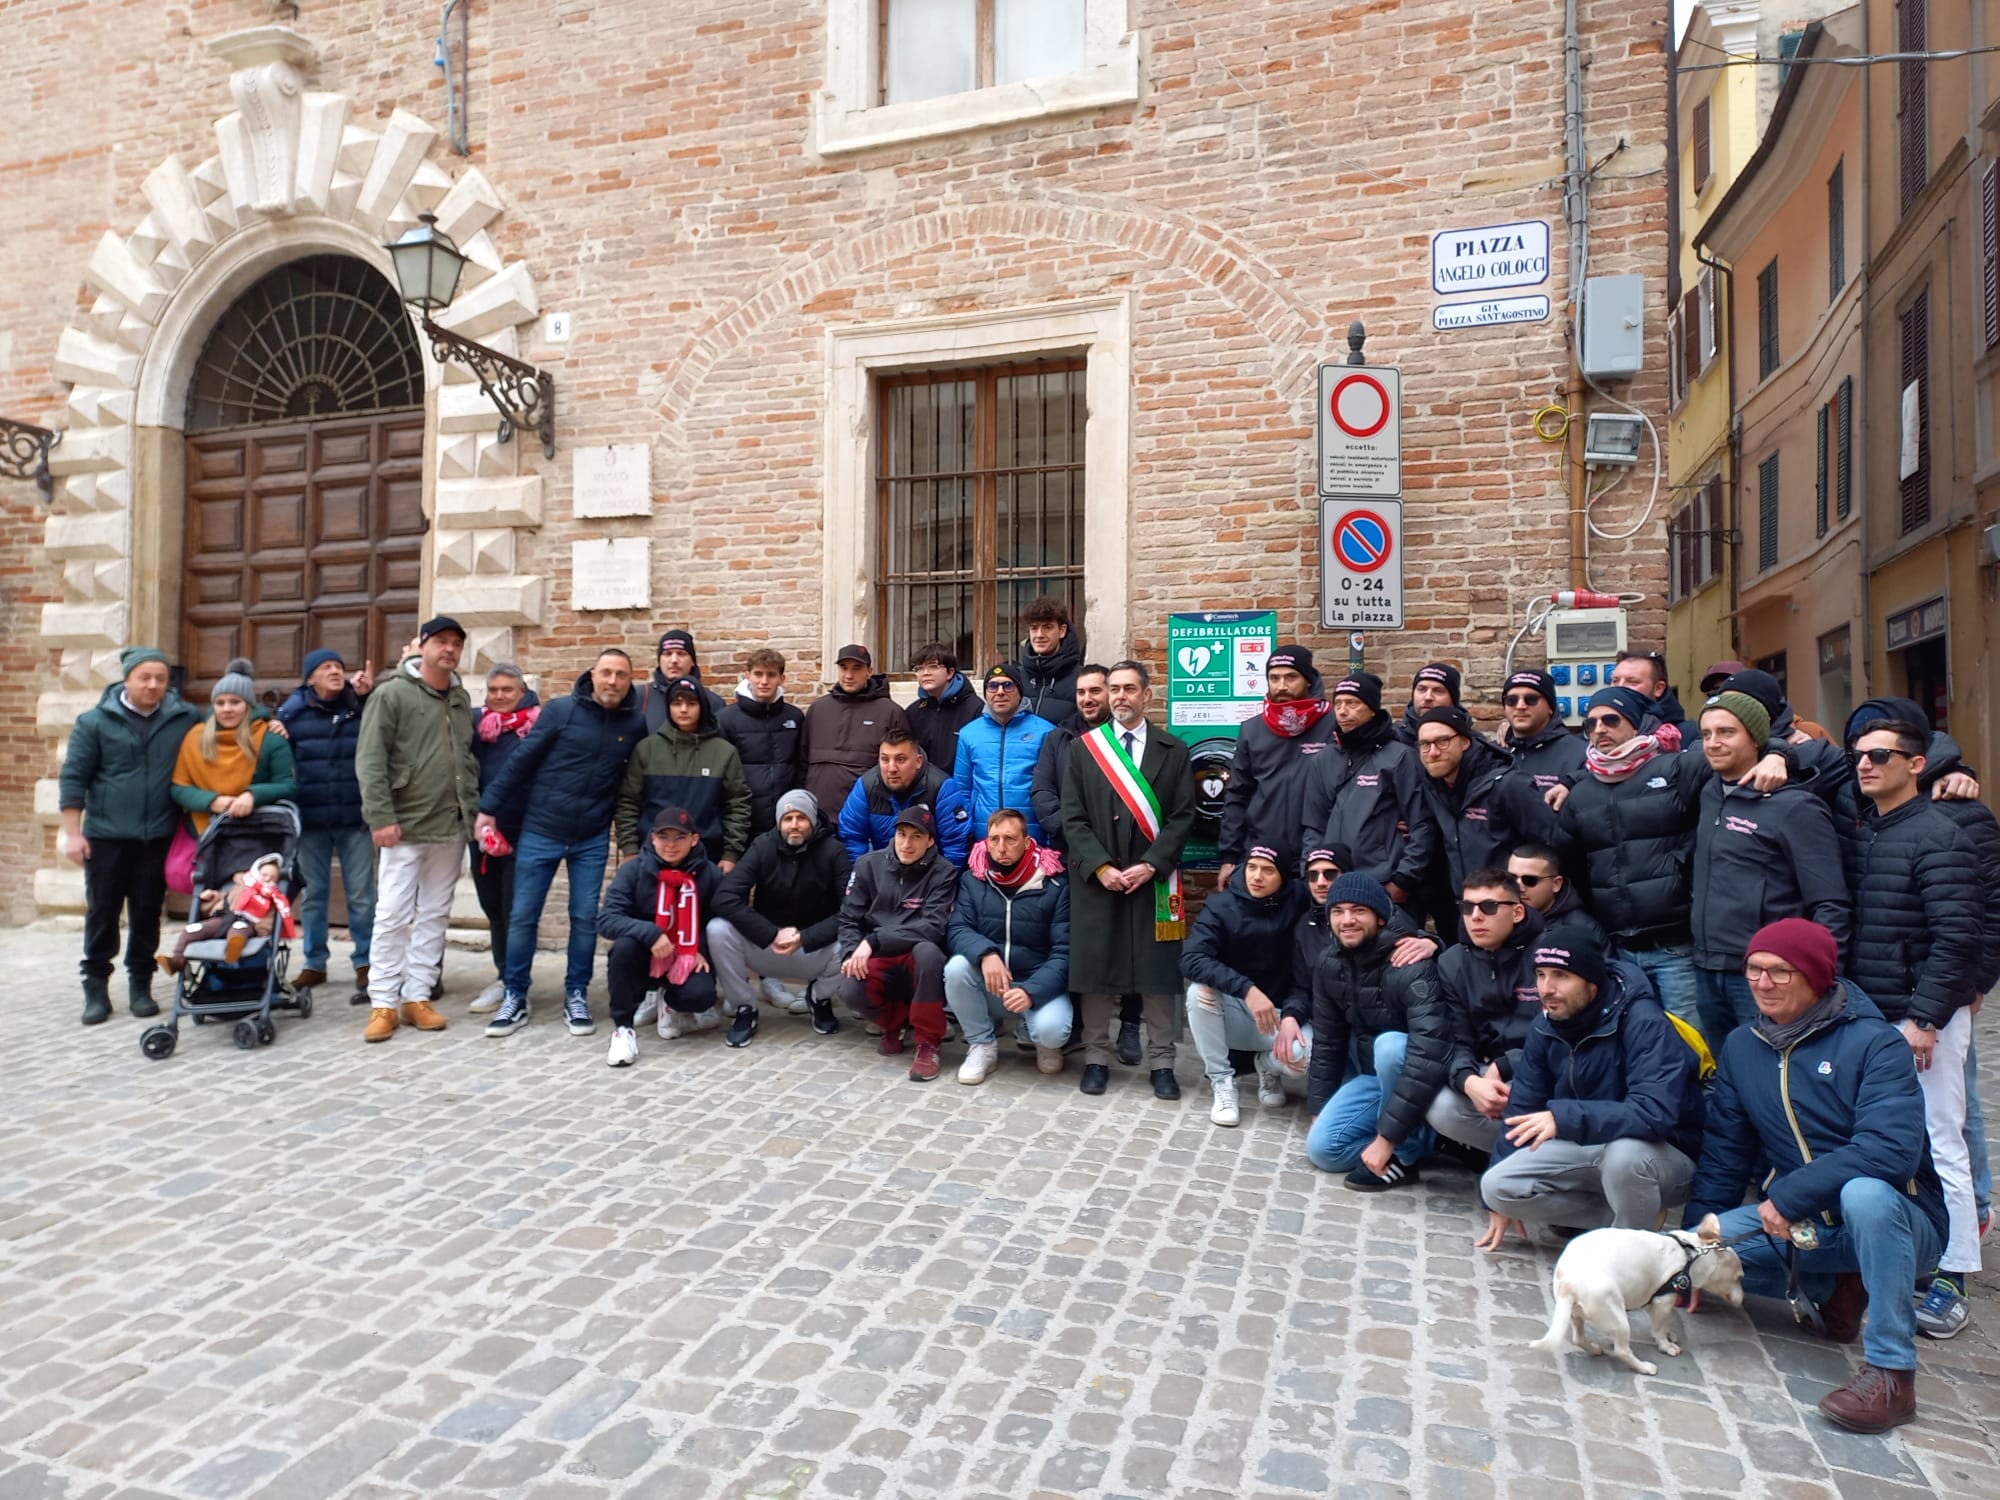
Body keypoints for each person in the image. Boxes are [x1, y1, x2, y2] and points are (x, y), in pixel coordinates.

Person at [1686, 919, 1947, 1433]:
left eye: (1780, 972)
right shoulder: (1743, 1045)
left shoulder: (1877, 1044)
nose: (1762, 983)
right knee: (1699, 1262)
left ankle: (1893, 1375)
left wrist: (1788, 1196)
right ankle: (1833, 1289)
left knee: (1865, 1194)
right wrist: (1688, 1244)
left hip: (1899, 1223)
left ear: (1819, 977)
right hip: (1807, 1227)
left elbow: (1890, 1152)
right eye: (1754, 970)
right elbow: (1725, 1153)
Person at [1839, 717, 1984, 1337]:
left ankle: (1953, 1274)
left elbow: (1957, 939)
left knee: (1939, 1138)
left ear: (1917, 764)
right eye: (1859, 757)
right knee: (1881, 1137)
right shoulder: (1867, 828)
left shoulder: (1940, 835)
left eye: (1880, 755)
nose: (1866, 765)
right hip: (1870, 1013)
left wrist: (1925, 1018)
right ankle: (1896, 1251)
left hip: (1922, 1018)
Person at [1477, 923, 1704, 1246]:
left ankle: (1632, 1254)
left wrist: (1564, 1118)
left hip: (1662, 1155)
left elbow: (1655, 1114)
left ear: (1593, 985)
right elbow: (1520, 1111)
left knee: (1624, 1157)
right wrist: (1497, 1205)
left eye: (1561, 976)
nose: (1546, 988)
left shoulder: (1643, 1021)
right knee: (1497, 1185)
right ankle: (1623, 1219)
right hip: (1588, 1142)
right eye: (1541, 974)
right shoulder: (1547, 1022)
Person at [476, 648, 646, 1040]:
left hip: (591, 836)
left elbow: (630, 787)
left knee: (585, 918)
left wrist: (629, 839)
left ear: (629, 681)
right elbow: (521, 761)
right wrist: (488, 809)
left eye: (621, 675)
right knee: (522, 916)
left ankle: (576, 993)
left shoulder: (634, 724)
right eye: (606, 673)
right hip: (541, 829)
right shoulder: (560, 710)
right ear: (593, 674)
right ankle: (515, 995)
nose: (613, 682)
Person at [1061, 661, 1197, 1099]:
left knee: (1157, 974)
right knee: (1097, 970)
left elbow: (1182, 817)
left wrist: (1153, 864)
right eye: (1113, 689)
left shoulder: (1173, 750)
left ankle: (1162, 1062)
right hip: (1099, 878)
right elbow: (1073, 817)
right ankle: (1097, 1058)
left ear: (1146, 696)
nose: (1119, 696)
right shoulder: (1084, 749)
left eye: (1128, 689)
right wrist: (1101, 866)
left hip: (1153, 879)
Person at [1688, 691, 1848, 1049]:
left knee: (1777, 1078)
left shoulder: (1795, 807)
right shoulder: (1709, 793)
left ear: (1757, 738)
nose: (1713, 743)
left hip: (1769, 977)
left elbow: (1831, 904)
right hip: (1707, 969)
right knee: (1724, 1079)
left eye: (1727, 732)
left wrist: (1821, 978)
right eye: (1707, 734)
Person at [59, 646, 201, 1025]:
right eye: (145, 677)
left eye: (160, 678)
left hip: (158, 836)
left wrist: (269, 722)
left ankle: (140, 984)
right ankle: (96, 987)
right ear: (128, 679)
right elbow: (74, 779)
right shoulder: (94, 723)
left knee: (146, 912)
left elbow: (225, 726)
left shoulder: (184, 718)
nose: (152, 685)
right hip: (105, 836)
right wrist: (74, 835)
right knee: (103, 912)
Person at [1550, 684, 1707, 1029]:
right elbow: (1567, 860)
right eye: (1591, 724)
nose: (1600, 729)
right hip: (1620, 949)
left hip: (1675, 946)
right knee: (1637, 1044)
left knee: (1694, 1049)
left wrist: (1778, 755)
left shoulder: (1674, 770)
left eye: (1611, 719)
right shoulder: (1582, 793)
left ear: (1635, 725)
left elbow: (1734, 752)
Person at [354, 618, 480, 1042]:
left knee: (434, 914)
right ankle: (383, 1003)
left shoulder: (460, 698)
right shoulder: (391, 694)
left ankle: (417, 996)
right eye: (441, 642)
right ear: (422, 646)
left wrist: (473, 811)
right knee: (391, 915)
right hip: (404, 824)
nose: (449, 650)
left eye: (456, 645)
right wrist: (380, 817)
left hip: (449, 825)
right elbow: (370, 759)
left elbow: (465, 758)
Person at [1292, 873, 1449, 1189]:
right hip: (1374, 1077)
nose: (1347, 920)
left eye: (1358, 910)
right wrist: (1319, 1109)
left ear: (1379, 916)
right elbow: (1328, 1041)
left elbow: (1429, 1052)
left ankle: (1405, 1153)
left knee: (1389, 1046)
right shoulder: (1329, 962)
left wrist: (1387, 1138)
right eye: (1338, 912)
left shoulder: (1410, 960)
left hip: (1423, 1075)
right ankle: (1429, 1140)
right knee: (1324, 1150)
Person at [708, 789, 853, 1043]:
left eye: (801, 818)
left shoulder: (833, 851)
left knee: (854, 937)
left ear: (813, 820)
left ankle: (819, 998)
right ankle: (745, 1007)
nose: (794, 825)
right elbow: (725, 897)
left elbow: (851, 911)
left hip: (813, 950)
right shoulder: (763, 846)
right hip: (768, 947)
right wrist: (770, 933)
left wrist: (805, 937)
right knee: (717, 929)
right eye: (788, 819)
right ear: (779, 823)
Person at [945, 808, 1072, 1082]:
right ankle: (982, 1044)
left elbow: (1065, 952)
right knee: (956, 968)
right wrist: (985, 954)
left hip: (1038, 984)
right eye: (994, 839)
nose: (1001, 847)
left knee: (1054, 1031)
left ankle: (1038, 1035)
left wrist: (1031, 991)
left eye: (1010, 839)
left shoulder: (1054, 883)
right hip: (994, 984)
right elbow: (957, 928)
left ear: (1027, 842)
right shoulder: (974, 878)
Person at [832, 805, 958, 1082]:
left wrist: (875, 940)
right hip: (878, 956)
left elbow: (933, 927)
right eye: (902, 834)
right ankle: (895, 1023)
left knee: (928, 953)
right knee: (849, 987)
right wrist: (853, 952)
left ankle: (928, 1041)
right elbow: (849, 919)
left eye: (916, 836)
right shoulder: (868, 864)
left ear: (930, 841)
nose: (907, 843)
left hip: (916, 954)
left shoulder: (944, 872)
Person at [1183, 847, 1306, 1126]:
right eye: (1252, 867)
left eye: (1268, 870)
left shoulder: (1300, 900)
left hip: (1280, 1016)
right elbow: (1192, 958)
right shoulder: (1221, 905)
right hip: (1237, 1011)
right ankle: (1222, 1081)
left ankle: (1267, 1066)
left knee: (1305, 1058)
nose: (1257, 877)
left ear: (1284, 877)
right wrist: (1247, 989)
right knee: (1199, 993)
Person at [278, 648, 377, 996]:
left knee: (363, 895)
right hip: (312, 819)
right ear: (310, 679)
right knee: (314, 895)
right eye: (325, 668)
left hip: (355, 818)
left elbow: (383, 727)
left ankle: (366, 962)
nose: (336, 671)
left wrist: (366, 695)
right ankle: (314, 964)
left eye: (338, 665)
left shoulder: (358, 706)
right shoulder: (292, 715)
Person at [1428, 869, 1546, 1156]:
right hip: (1486, 1073)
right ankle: (1523, 1157)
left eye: (1489, 907)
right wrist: (1469, 1081)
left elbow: (1562, 1033)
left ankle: (1535, 1160)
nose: (1476, 917)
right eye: (1467, 907)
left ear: (1517, 912)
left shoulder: (1548, 951)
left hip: (1543, 1072)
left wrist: (1505, 1066)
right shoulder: (1451, 963)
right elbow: (1456, 1037)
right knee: (1441, 1108)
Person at [598, 808, 724, 1066]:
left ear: (694, 839)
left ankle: (670, 1002)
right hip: (646, 953)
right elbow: (607, 920)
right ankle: (623, 1029)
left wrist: (699, 948)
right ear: (652, 838)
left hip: (688, 956)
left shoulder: (709, 874)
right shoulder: (633, 870)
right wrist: (651, 934)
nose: (671, 845)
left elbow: (719, 922)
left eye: (679, 838)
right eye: (664, 837)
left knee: (701, 996)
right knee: (623, 948)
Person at [1297, 672, 1435, 907]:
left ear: (1372, 709)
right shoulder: (1322, 760)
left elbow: (1422, 824)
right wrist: (1311, 872)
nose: (1342, 711)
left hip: (1382, 881)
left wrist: (1403, 880)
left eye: (1352, 703)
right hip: (1332, 882)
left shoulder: (1399, 757)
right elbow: (1313, 825)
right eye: (1338, 703)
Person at [1216, 645, 1336, 884]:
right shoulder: (1251, 729)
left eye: (1291, 677)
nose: (1282, 685)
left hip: (1320, 857)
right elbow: (1238, 795)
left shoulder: (1334, 724)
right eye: (1274, 678)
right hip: (1262, 856)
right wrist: (1229, 856)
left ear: (1309, 680)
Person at [1412, 704, 1555, 901]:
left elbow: (1552, 844)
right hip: (1468, 908)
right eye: (1425, 745)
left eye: (1443, 741)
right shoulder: (1434, 786)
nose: (1433, 752)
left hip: (1513, 907)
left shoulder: (1508, 784)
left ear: (1464, 742)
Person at [615, 675, 752, 871]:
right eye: (677, 703)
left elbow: (737, 805)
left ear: (702, 707)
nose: (684, 709)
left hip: (707, 857)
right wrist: (630, 850)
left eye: (692, 703)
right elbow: (628, 802)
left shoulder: (724, 752)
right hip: (653, 856)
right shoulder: (646, 749)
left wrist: (731, 854)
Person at [466, 664, 540, 1014]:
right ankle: (503, 975)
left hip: (524, 831)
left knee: (515, 911)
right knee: (493, 908)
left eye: (507, 690)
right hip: (483, 834)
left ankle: (515, 983)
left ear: (522, 691)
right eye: (493, 690)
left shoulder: (537, 726)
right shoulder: (476, 728)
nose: (498, 696)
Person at [170, 658, 299, 840]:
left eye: (235, 702)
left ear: (248, 705)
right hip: (200, 831)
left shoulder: (270, 738)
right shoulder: (195, 736)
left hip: (254, 832)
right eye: (220, 703)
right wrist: (212, 801)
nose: (227, 709)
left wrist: (252, 796)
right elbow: (179, 787)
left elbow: (287, 785)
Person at [801, 644, 911, 814]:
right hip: (819, 816)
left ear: (869, 671)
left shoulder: (890, 712)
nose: (849, 675)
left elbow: (904, 768)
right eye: (843, 668)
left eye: (857, 668)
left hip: (868, 816)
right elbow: (802, 763)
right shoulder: (817, 709)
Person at [838, 727, 971, 865]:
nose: (892, 768)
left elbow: (957, 844)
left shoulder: (941, 788)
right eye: (885, 759)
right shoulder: (866, 786)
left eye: (900, 760)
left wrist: (942, 882)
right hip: (881, 874)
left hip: (929, 876)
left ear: (918, 761)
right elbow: (851, 838)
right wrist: (864, 877)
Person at [954, 662, 1055, 841]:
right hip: (985, 835)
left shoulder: (1046, 732)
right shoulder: (969, 734)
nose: (1000, 692)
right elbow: (963, 789)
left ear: (1020, 691)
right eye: (993, 686)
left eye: (1008, 685)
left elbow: (1053, 789)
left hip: (1032, 835)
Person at [717, 647, 803, 837]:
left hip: (786, 820)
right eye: (758, 674)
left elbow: (800, 767)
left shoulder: (794, 717)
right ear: (747, 676)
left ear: (782, 678)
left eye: (771, 675)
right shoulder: (726, 719)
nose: (764, 681)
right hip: (744, 822)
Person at [1030, 663, 1110, 857]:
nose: (1087, 699)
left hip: (1116, 850)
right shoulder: (1057, 738)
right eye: (1081, 692)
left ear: (1111, 693)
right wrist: (1071, 832)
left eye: (1095, 691)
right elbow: (1042, 792)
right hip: (1070, 850)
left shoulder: (1126, 739)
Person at [1497, 670, 1584, 793]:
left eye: (1531, 699)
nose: (1520, 706)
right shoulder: (1492, 754)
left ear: (1550, 707)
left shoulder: (1580, 754)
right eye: (1512, 700)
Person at [1505, 843, 1603, 948]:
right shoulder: (1494, 914)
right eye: (1511, 878)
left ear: (1556, 884)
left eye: (1530, 880)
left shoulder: (1582, 928)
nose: (1519, 887)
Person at [905, 642, 981, 775]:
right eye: (920, 668)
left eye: (933, 666)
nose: (926, 673)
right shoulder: (913, 711)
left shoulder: (974, 708)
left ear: (950, 672)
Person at [1017, 595, 1083, 725]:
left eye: (1047, 627)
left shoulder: (1081, 679)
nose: (1039, 635)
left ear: (1062, 631)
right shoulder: (1016, 678)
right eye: (1034, 628)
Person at [641, 628, 726, 728]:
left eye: (681, 653)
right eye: (667, 654)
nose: (674, 660)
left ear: (693, 661)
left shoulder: (713, 702)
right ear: (659, 661)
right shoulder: (640, 697)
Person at [1608, 650, 1686, 740]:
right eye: (1615, 681)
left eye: (1632, 682)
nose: (1620, 687)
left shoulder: (1686, 734)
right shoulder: (1597, 728)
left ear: (1658, 689)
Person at [1392, 662, 1461, 747]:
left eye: (1438, 691)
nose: (1428, 697)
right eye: (1422, 689)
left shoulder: (1474, 746)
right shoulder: (1390, 739)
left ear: (1453, 700)